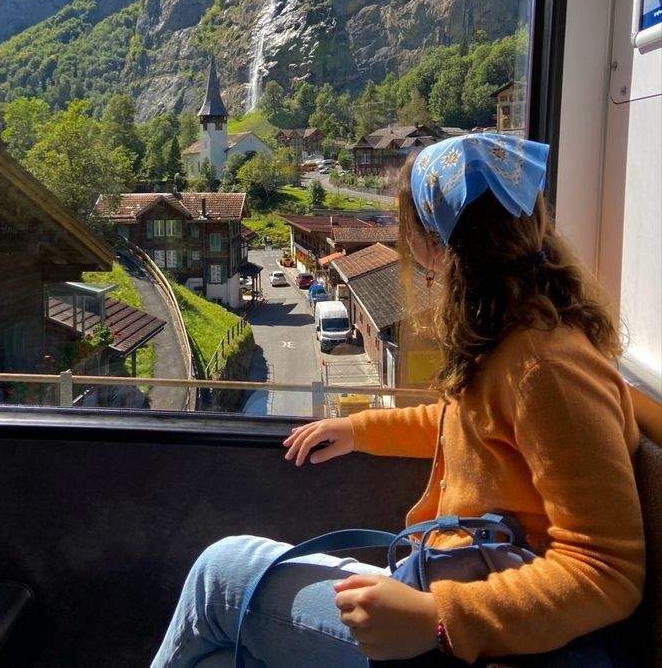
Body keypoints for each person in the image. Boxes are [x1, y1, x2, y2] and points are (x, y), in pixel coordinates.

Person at [151, 133, 644, 667]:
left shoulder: (544, 368)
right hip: (456, 592)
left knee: (218, 577)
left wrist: (435, 619)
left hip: (471, 629)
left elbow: (607, 571)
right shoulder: (519, 342)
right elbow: (465, 425)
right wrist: (359, 429)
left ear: (436, 245)